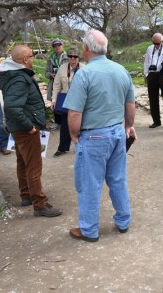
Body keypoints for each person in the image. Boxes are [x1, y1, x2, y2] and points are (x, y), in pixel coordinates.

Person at [64, 29, 136, 242]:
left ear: (85, 48)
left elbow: (75, 112)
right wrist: (129, 126)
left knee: (89, 184)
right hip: (117, 132)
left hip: (94, 136)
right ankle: (123, 220)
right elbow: (129, 104)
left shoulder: (84, 74)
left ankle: (89, 229)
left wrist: (74, 135)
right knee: (118, 179)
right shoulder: (121, 70)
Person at [0, 45, 62, 217]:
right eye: (32, 55)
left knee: (23, 162)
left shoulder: (14, 75)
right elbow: (12, 107)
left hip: (18, 128)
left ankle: (26, 194)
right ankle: (39, 204)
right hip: (25, 130)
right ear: (25, 59)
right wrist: (30, 126)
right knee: (34, 166)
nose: (34, 58)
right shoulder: (19, 79)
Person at [51, 47, 83, 157]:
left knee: (81, 124)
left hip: (80, 101)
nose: (73, 58)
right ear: (67, 57)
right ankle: (62, 148)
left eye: (75, 56)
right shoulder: (63, 68)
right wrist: (54, 100)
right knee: (65, 125)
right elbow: (56, 85)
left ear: (78, 57)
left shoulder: (84, 68)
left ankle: (81, 146)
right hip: (66, 100)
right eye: (70, 56)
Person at [143, 33, 163, 128]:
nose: (156, 45)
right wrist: (146, 74)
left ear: (162, 41)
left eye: (158, 43)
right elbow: (146, 62)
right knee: (153, 99)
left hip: (162, 75)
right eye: (154, 43)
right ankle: (156, 121)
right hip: (151, 75)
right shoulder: (150, 48)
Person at [45, 39, 68, 131]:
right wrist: (50, 74)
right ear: (53, 48)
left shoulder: (67, 57)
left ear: (62, 46)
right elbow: (46, 72)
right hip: (54, 83)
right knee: (55, 102)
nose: (57, 47)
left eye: (59, 45)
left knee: (65, 102)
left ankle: (66, 123)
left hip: (65, 83)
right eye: (55, 46)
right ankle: (57, 122)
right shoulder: (50, 58)